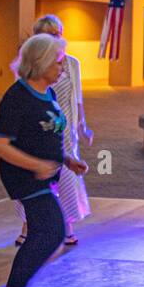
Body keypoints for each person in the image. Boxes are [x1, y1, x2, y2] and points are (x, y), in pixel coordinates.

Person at [0, 33, 89, 287]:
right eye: (58, 62)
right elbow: (1, 145)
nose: (62, 68)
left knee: (42, 235)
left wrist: (66, 159)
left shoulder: (50, 93)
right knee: (52, 231)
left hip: (46, 173)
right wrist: (37, 165)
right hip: (24, 175)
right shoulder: (17, 96)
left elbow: (48, 133)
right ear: (41, 61)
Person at [31, 15, 93, 245]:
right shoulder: (32, 65)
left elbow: (77, 97)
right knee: (37, 172)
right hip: (39, 125)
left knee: (66, 176)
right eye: (48, 35)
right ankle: (31, 225)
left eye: (57, 34)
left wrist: (83, 124)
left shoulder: (71, 63)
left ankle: (67, 226)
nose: (54, 38)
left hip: (65, 128)